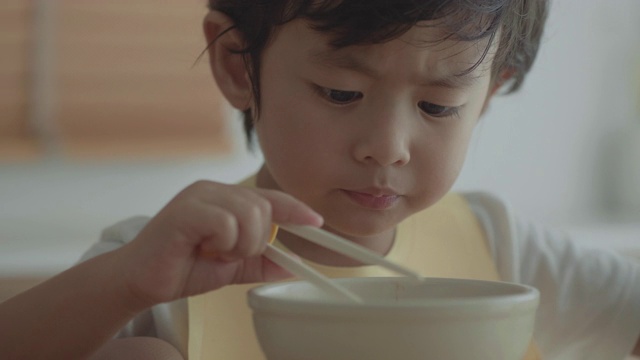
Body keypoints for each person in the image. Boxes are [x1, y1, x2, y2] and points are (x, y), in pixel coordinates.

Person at [2, 0, 640, 359]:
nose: (386, 149)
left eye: (438, 107)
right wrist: (123, 283)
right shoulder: (166, 266)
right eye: (341, 92)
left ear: (489, 97)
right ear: (237, 66)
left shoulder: (504, 248)